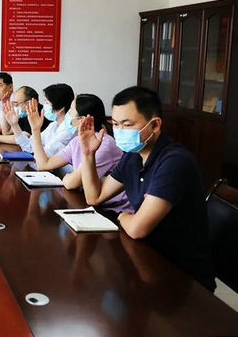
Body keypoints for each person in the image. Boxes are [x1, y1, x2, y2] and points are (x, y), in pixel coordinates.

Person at [78, 86, 215, 291]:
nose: (119, 131)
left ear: (155, 125)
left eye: (127, 124)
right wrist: (88, 154)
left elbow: (137, 229)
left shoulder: (174, 161)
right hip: (146, 258)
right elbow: (94, 197)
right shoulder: (133, 155)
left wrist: (121, 215)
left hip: (182, 277)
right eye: (115, 124)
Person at [13, 94, 131, 212]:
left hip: (114, 211)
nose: (67, 115)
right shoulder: (77, 140)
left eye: (70, 111)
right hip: (90, 204)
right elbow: (44, 164)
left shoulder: (105, 145)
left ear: (82, 119)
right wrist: (35, 129)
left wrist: (69, 177)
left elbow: (71, 183)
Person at [0, 83, 75, 156]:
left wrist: (35, 129)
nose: (44, 106)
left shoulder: (68, 131)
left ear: (60, 109)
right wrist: (14, 125)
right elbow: (29, 146)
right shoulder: (53, 125)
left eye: (47, 102)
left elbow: (43, 156)